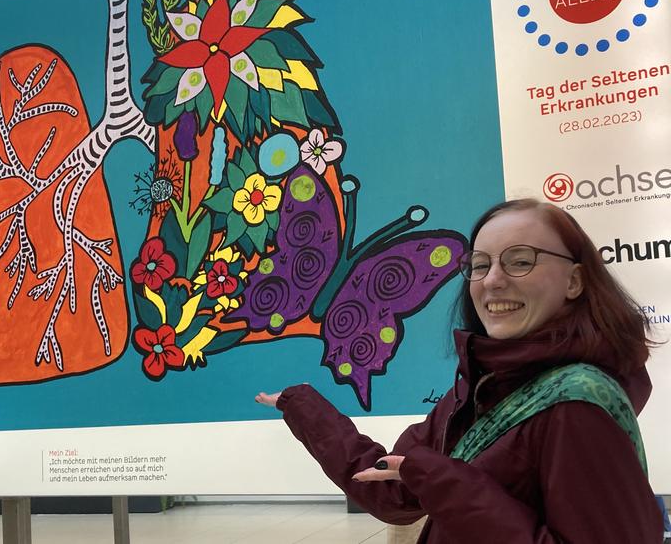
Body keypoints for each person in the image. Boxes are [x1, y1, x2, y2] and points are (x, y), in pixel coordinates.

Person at [256, 198, 664, 543]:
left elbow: (428, 478)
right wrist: (303, 407)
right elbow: (392, 491)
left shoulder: (577, 406)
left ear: (575, 281)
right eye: (480, 265)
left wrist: (443, 480)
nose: (493, 281)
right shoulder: (481, 385)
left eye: (521, 261)